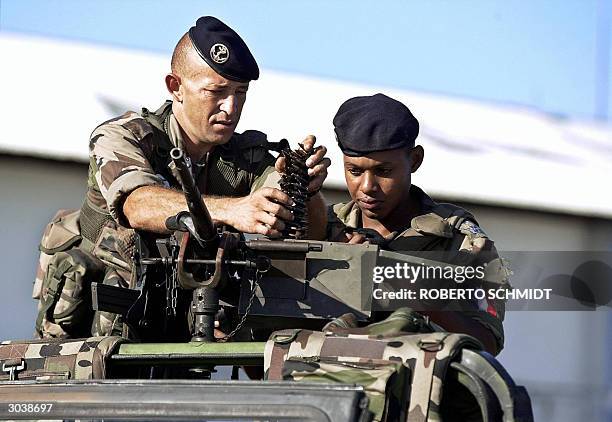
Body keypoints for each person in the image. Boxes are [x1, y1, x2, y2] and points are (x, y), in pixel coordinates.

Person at [34, 16, 330, 339]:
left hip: (180, 329)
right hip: (95, 340)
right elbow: (138, 204)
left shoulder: (246, 157)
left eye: (240, 93)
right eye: (216, 92)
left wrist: (304, 188)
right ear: (176, 87)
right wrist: (233, 210)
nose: (231, 107)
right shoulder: (122, 137)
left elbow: (297, 228)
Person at [325, 93, 508, 355]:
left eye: (384, 172)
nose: (367, 187)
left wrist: (419, 298)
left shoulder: (461, 240)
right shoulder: (327, 229)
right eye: (354, 171)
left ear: (415, 160)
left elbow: (488, 344)